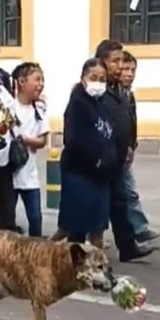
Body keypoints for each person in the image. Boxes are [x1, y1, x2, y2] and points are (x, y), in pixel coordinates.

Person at [95, 39, 159, 263]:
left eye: (122, 60)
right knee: (98, 206)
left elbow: (127, 118)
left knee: (120, 203)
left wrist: (130, 145)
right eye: (116, 61)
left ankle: (127, 246)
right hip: (102, 159)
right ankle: (88, 247)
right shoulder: (96, 88)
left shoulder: (120, 89)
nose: (121, 66)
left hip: (119, 157)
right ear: (103, 62)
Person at [57, 58, 118, 243]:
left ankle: (94, 267)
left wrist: (109, 160)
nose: (98, 83)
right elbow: (73, 139)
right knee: (77, 229)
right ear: (83, 78)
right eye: (93, 77)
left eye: (102, 79)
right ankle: (72, 268)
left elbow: (109, 134)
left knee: (97, 227)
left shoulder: (104, 103)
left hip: (101, 175)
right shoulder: (77, 103)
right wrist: (95, 161)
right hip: (79, 172)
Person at [120, 50, 160, 252]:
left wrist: (133, 145)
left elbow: (131, 122)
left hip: (127, 151)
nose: (129, 73)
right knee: (125, 194)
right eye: (126, 69)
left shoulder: (129, 96)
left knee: (128, 193)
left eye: (133, 70)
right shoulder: (116, 95)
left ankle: (138, 230)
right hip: (116, 153)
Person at [11, 62, 49, 237]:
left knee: (35, 218)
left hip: (29, 175)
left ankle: (36, 252)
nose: (40, 84)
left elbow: (42, 141)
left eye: (42, 79)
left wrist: (27, 140)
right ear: (21, 81)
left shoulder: (40, 109)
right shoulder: (8, 107)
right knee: (7, 219)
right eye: (37, 79)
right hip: (9, 173)